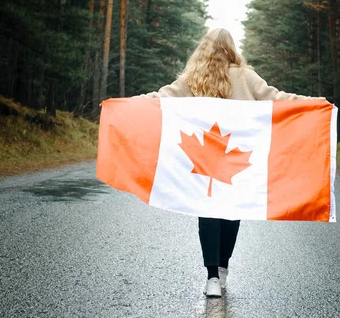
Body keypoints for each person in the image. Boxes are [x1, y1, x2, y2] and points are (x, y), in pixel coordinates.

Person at [136, 28, 317, 297]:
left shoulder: (193, 78)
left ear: (204, 48)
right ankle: (222, 269)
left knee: (208, 210)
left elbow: (161, 98)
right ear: (232, 49)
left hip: (204, 159)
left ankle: (211, 277)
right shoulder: (245, 76)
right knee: (232, 210)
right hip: (237, 157)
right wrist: (312, 103)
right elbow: (276, 98)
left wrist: (129, 103)